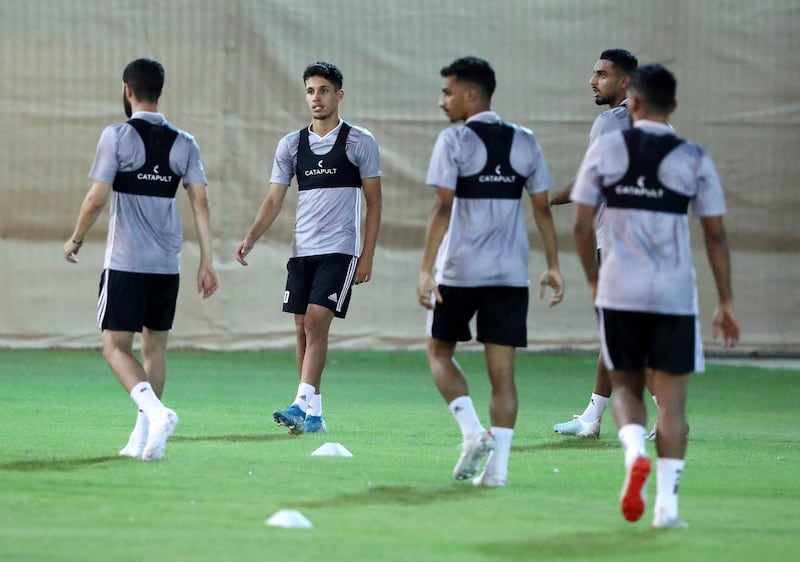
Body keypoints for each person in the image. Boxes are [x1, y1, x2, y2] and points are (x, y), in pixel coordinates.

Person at [571, 64, 739, 528]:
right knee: (674, 403)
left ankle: (632, 455)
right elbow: (717, 235)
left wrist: (592, 281)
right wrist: (725, 301)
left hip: (620, 287)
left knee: (625, 386)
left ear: (633, 103)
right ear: (674, 107)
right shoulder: (693, 156)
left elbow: (582, 223)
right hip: (673, 293)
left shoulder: (607, 149)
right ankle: (667, 507)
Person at [417, 56, 564, 487]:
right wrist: (553, 265)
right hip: (510, 274)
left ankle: (470, 432)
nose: (442, 101)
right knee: (503, 375)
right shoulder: (526, 141)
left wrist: (425, 269)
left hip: (460, 271)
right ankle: (497, 473)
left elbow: (442, 206)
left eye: (447, 92)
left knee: (438, 352)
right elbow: (542, 209)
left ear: (470, 94)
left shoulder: (453, 141)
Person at [63, 57, 219, 461]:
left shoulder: (116, 136)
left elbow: (97, 197)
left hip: (126, 261)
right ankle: (144, 439)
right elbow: (200, 203)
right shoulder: (185, 142)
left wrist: (76, 238)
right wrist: (207, 260)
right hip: (166, 265)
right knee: (155, 350)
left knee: (115, 347)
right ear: (160, 91)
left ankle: (155, 413)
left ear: (127, 90)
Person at [235, 61, 382, 435]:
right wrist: (251, 237)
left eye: (324, 90)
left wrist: (367, 255)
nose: (316, 98)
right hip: (303, 250)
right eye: (310, 91)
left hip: (340, 249)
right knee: (302, 327)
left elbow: (375, 202)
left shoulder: (358, 141)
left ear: (339, 95)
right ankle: (314, 413)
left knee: (317, 321)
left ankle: (299, 404)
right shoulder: (291, 144)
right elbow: (273, 200)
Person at [550, 49, 661, 439]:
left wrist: (543, 198)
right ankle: (592, 417)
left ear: (625, 81)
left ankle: (669, 414)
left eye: (601, 74)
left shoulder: (611, 121)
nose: (593, 80)